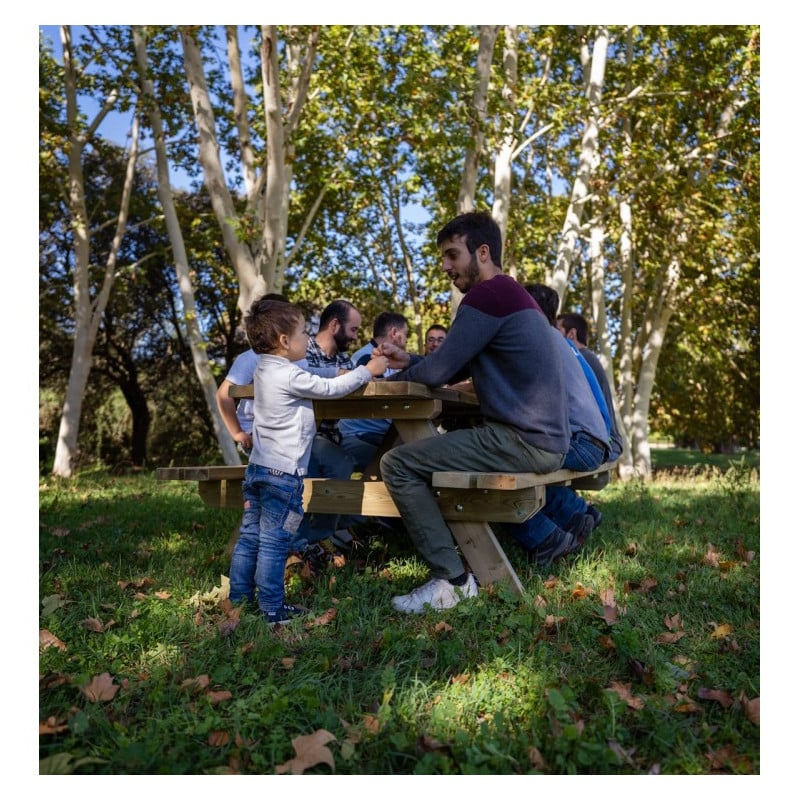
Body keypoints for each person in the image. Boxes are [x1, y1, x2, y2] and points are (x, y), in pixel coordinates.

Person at [375, 211, 570, 614]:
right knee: (418, 458)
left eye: (452, 255)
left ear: (482, 252)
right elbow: (454, 365)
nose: (445, 266)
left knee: (396, 464)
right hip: (545, 440)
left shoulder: (486, 296)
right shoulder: (512, 294)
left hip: (523, 441)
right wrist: (408, 361)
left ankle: (451, 581)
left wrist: (387, 377)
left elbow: (439, 372)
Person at [227, 298, 388, 624]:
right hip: (283, 475)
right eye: (303, 332)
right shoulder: (289, 376)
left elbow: (315, 372)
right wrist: (365, 371)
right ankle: (272, 608)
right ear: (285, 341)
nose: (308, 338)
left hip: (258, 469)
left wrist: (341, 369)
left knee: (250, 536)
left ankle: (239, 600)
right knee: (275, 541)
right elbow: (329, 388)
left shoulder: (265, 369)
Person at [500, 284, 611, 566]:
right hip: (594, 439)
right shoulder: (558, 339)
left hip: (580, 442)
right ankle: (574, 512)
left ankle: (545, 538)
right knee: (513, 456)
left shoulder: (538, 338)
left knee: (492, 464)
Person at [293, 299, 366, 552]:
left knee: (380, 456)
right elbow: (305, 381)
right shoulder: (303, 351)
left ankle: (325, 535)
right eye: (353, 329)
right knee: (335, 462)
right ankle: (311, 541)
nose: (355, 337)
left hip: (333, 436)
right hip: (302, 434)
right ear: (335, 325)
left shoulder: (344, 360)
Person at [554, 311, 625, 529]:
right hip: (604, 439)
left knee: (535, 458)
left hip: (603, 442)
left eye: (557, 329)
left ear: (571, 334)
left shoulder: (579, 358)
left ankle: (574, 514)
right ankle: (580, 511)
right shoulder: (587, 357)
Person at [216, 293, 288, 456]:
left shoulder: (294, 356)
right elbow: (223, 394)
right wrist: (237, 433)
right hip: (255, 434)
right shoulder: (252, 358)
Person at [339, 311, 411, 473]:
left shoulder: (389, 359)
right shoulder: (365, 359)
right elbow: (381, 402)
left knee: (414, 450)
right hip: (361, 435)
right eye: (405, 334)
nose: (406, 340)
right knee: (409, 461)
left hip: (377, 433)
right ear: (394, 333)